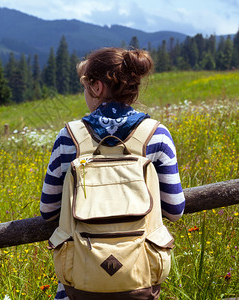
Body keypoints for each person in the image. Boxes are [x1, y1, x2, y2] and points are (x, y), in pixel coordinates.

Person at [40, 47, 186, 300]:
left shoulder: (69, 138)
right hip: (139, 283)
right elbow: (174, 209)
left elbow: (48, 210)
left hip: (78, 288)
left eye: (85, 87)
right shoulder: (156, 134)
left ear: (96, 88)